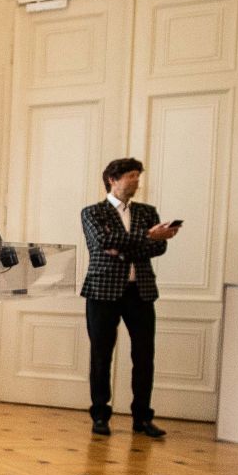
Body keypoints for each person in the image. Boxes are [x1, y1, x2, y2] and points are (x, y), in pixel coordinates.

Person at [81, 156, 178, 437]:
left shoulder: (148, 212)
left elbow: (159, 249)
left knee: (144, 356)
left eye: (138, 175)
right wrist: (149, 238)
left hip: (140, 292)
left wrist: (128, 246)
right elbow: (103, 241)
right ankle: (100, 416)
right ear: (113, 179)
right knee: (101, 356)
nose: (136, 181)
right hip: (102, 292)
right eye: (131, 176)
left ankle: (142, 418)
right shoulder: (93, 212)